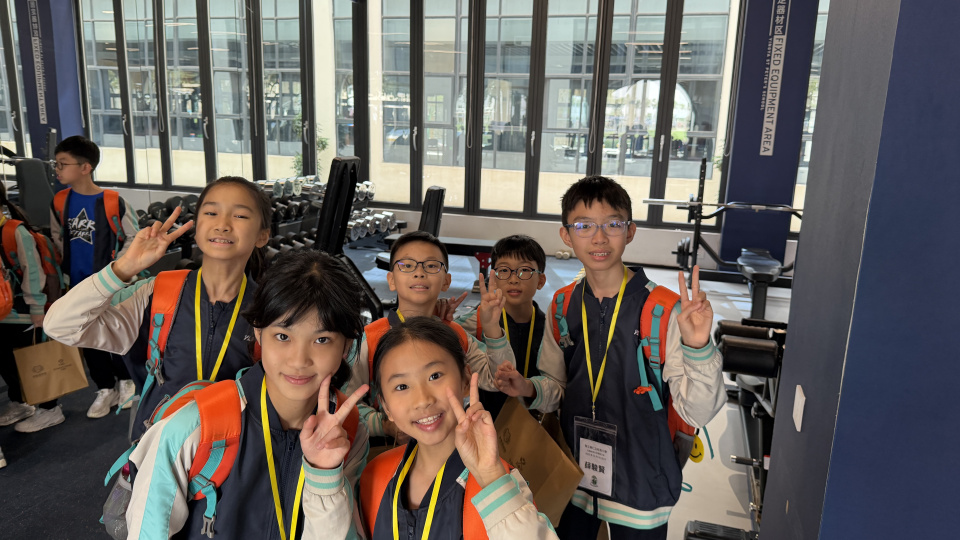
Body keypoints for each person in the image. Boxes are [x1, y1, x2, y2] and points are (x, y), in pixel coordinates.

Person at [123, 249, 369, 539]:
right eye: (283, 336)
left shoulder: (348, 432)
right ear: (259, 333)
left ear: (346, 346)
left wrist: (325, 476)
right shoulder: (195, 428)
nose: (299, 360)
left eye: (322, 339)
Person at [552, 176, 725, 539]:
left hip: (642, 484)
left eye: (613, 224)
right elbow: (555, 384)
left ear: (630, 231)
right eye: (584, 226)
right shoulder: (563, 304)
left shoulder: (663, 310)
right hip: (575, 478)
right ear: (566, 235)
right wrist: (528, 388)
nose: (599, 238)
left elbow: (697, 412)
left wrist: (698, 348)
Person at [45, 176, 270, 440]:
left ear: (262, 235)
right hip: (157, 449)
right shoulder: (155, 295)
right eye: (211, 213)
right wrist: (123, 268)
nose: (222, 225)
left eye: (240, 216)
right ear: (196, 226)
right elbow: (60, 326)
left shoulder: (270, 310)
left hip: (230, 451)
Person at [358, 317, 557, 539]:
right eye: (402, 386)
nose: (423, 400)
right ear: (386, 406)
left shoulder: (499, 481)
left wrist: (491, 477)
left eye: (434, 376)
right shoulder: (375, 476)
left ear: (465, 380)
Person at [344, 230, 510, 440]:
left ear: (446, 281)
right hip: (392, 446)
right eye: (407, 265)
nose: (419, 272)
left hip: (451, 443)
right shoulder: (369, 340)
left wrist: (492, 327)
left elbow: (498, 379)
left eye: (431, 266)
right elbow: (347, 403)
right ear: (391, 280)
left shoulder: (456, 335)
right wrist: (384, 425)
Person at [50, 135, 139, 419]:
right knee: (86, 336)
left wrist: (118, 269)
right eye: (56, 164)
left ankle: (127, 381)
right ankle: (105, 387)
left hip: (110, 284)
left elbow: (134, 238)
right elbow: (57, 237)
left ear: (85, 167)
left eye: (62, 164)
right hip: (77, 284)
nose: (57, 169)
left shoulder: (113, 201)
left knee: (116, 332)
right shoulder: (60, 201)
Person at [455, 234, 566, 419]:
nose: (514, 279)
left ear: (541, 281)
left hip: (534, 426)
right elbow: (440, 336)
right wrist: (438, 314)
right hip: (486, 421)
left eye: (525, 270)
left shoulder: (551, 329)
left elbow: (559, 388)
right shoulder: (477, 321)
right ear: (494, 278)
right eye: (504, 270)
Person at [0, 183, 62, 435]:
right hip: (2, 315)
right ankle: (20, 403)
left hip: (23, 311)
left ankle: (50, 409)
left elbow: (33, 270)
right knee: (6, 362)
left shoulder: (14, 231)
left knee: (36, 361)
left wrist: (37, 307)